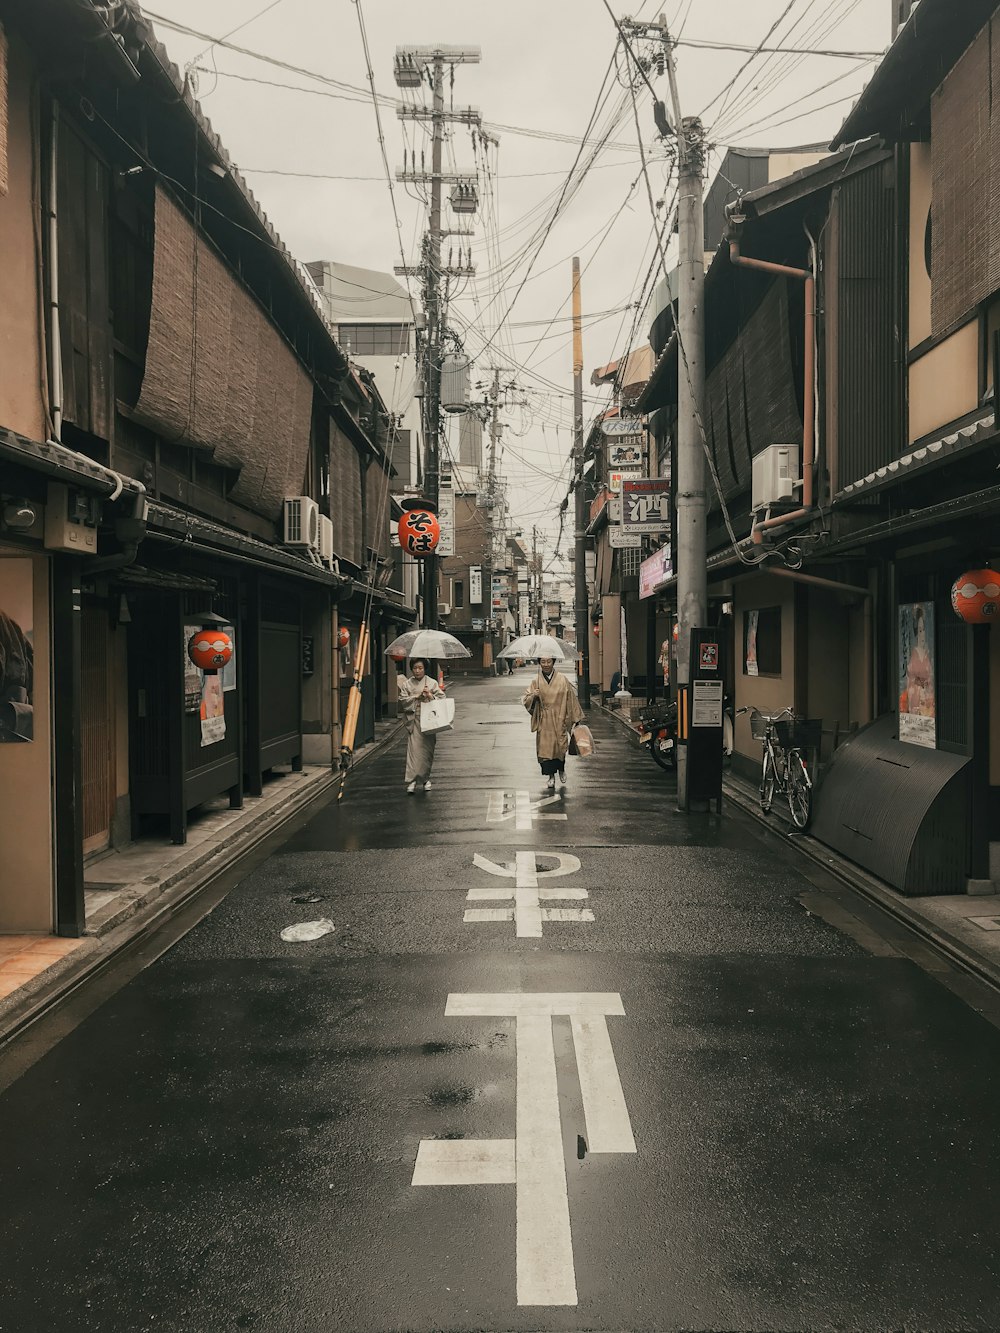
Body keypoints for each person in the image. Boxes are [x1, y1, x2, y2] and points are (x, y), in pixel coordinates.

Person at [522, 656, 583, 792]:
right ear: (539, 663)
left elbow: (571, 699)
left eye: (549, 661)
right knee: (546, 751)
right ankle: (550, 776)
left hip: (560, 716)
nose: (546, 664)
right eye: (543, 662)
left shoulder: (562, 679)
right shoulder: (536, 680)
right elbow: (526, 699)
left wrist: (575, 718)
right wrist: (534, 696)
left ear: (553, 662)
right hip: (544, 719)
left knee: (560, 747)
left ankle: (561, 769)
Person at [398, 657, 445, 793]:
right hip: (415, 720)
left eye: (420, 668)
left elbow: (441, 699)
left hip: (429, 720)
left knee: (427, 752)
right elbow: (403, 699)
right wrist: (416, 697)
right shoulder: (407, 684)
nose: (417, 671)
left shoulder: (432, 683)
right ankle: (411, 781)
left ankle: (425, 779)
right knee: (414, 752)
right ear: (411, 669)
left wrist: (430, 695)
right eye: (415, 668)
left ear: (425, 669)